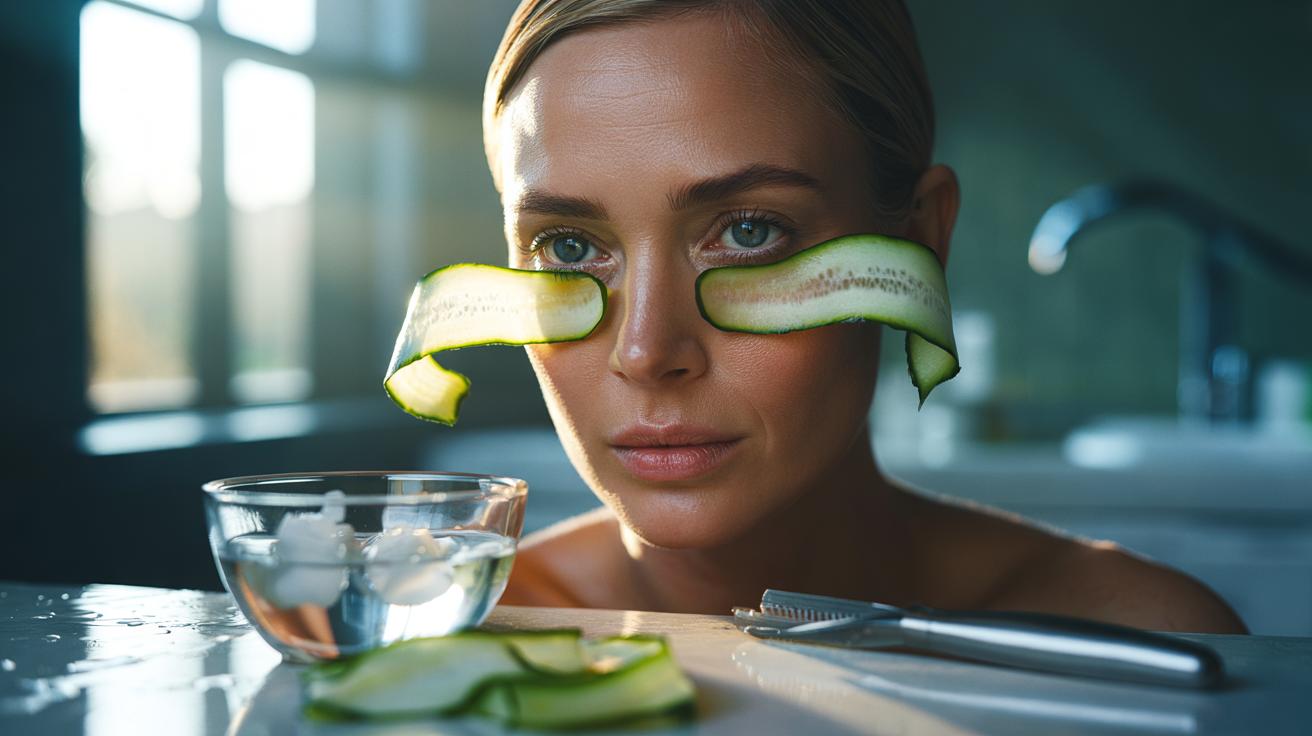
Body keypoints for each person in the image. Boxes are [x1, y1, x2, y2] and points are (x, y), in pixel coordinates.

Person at [481, 0, 1246, 633]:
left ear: (918, 240)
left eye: (748, 232)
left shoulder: (1145, 643)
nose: (646, 351)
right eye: (569, 246)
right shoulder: (447, 629)